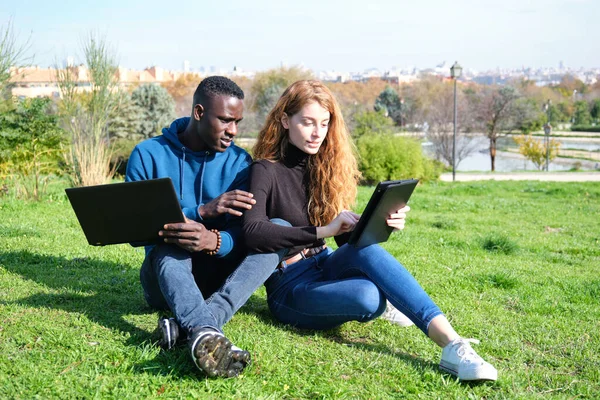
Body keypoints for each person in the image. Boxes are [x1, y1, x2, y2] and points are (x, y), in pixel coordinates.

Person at [242, 80, 498, 382]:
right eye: (308, 122)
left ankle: (453, 345)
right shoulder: (265, 169)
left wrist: (373, 223)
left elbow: (340, 238)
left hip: (325, 263)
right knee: (369, 297)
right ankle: (390, 299)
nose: (317, 133)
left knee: (366, 250)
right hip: (289, 285)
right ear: (285, 120)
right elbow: (253, 231)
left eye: (324, 124)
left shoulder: (323, 166)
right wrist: (322, 230)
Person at [126, 76, 285, 378]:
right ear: (199, 113)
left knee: (277, 228)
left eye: (237, 122)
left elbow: (246, 233)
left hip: (217, 275)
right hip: (164, 277)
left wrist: (214, 241)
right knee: (171, 242)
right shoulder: (148, 155)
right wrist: (200, 211)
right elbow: (135, 231)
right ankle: (203, 328)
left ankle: (195, 330)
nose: (233, 132)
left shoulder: (240, 163)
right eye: (225, 120)